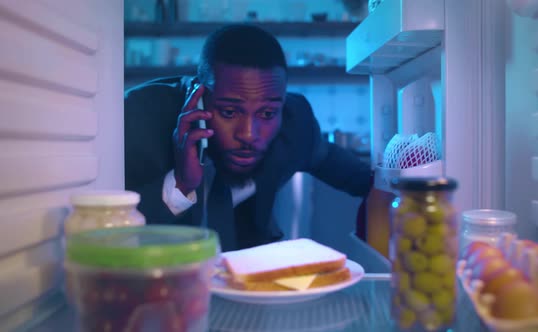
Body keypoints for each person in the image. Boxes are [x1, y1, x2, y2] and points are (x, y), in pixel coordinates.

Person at [124, 24, 371, 251]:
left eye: (267, 113)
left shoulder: (295, 124)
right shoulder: (140, 117)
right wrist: (179, 184)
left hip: (253, 266)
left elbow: (355, 176)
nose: (249, 135)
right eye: (229, 112)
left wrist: (394, 191)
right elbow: (107, 232)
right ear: (198, 96)